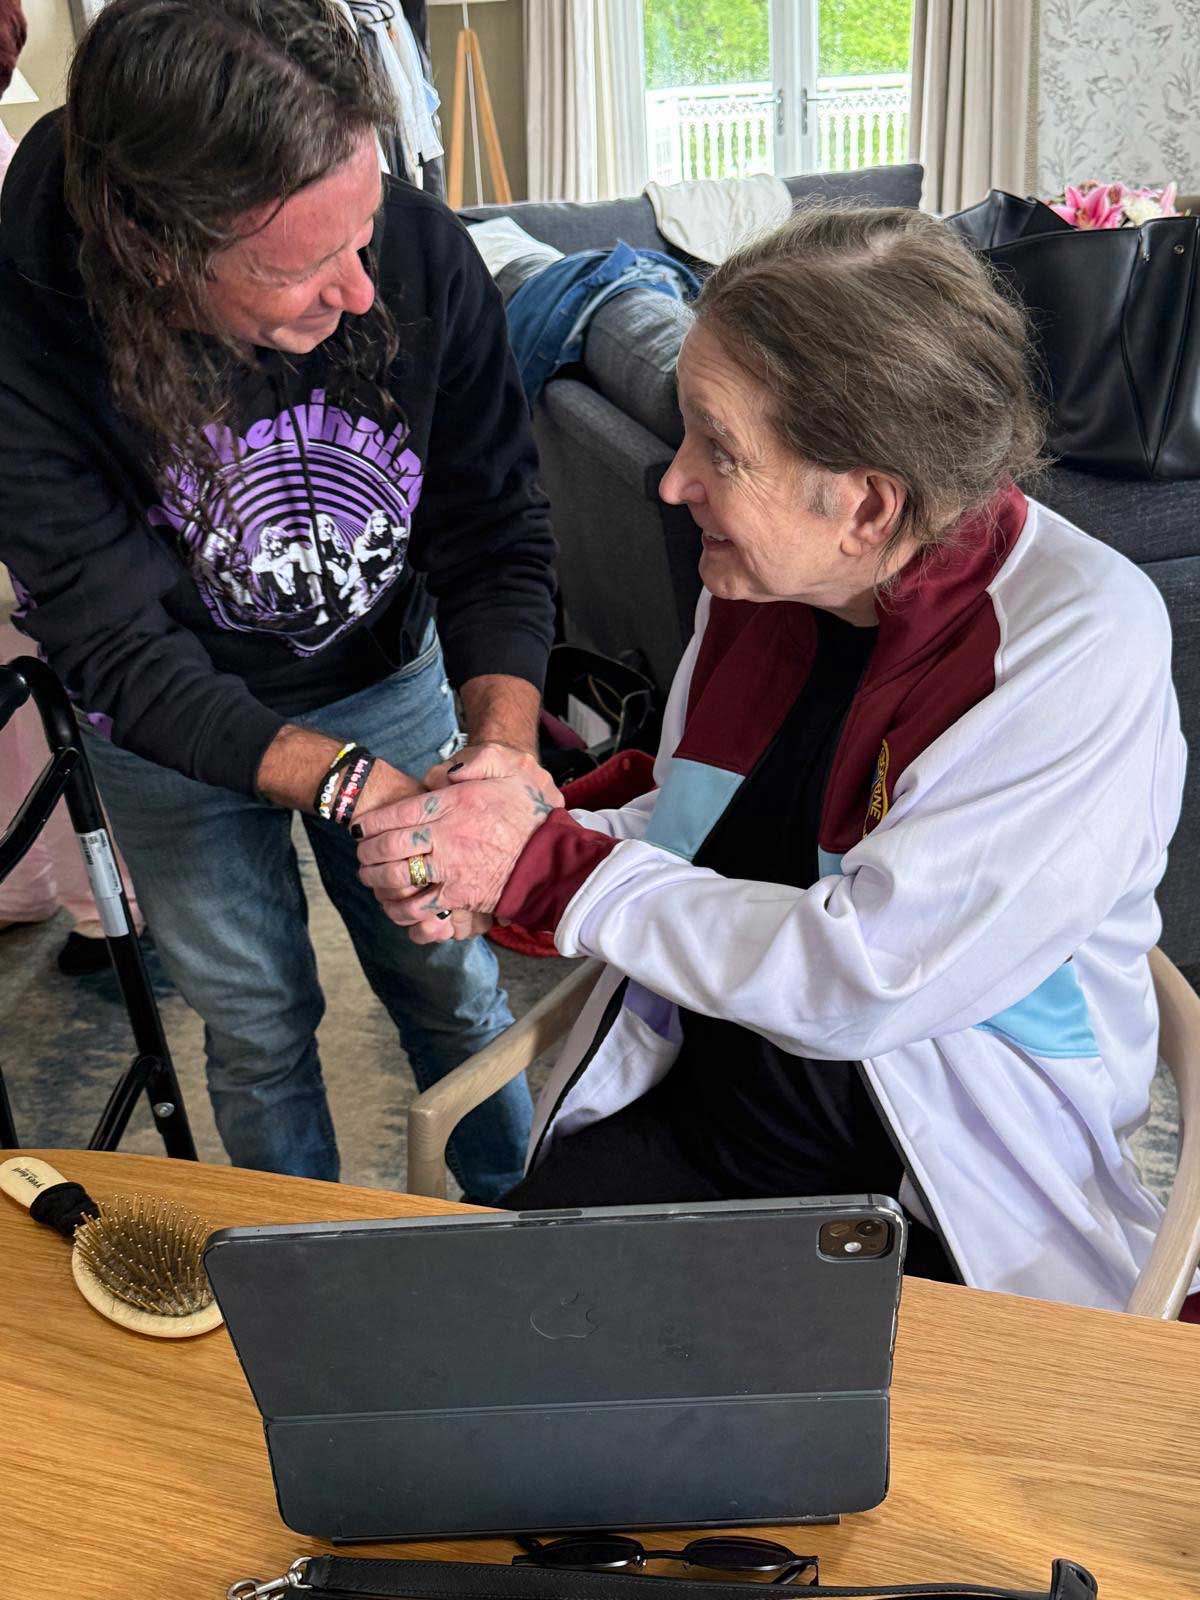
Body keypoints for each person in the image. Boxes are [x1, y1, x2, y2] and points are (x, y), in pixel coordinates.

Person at [355, 205, 1190, 1312]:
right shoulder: (767, 578)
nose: (671, 481)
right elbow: (686, 825)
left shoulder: (1078, 644)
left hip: (931, 1199)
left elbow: (862, 975)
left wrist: (551, 871)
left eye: (719, 448)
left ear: (866, 503)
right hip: (709, 1106)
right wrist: (485, 846)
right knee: (491, 1368)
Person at [0, 0, 556, 1201]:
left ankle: (533, 1230)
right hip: (166, 734)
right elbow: (115, 648)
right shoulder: (27, 322)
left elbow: (497, 527)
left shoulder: (410, 253)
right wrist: (354, 785)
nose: (361, 293)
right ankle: (307, 1269)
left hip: (390, 670)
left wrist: (500, 756)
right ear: (157, 253)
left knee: (455, 988)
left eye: (364, 233)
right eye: (303, 267)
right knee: (255, 1023)